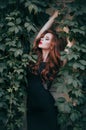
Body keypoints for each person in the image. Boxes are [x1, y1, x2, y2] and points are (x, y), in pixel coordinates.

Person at [26, 10, 67, 130]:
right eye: (43, 37)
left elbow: (70, 50)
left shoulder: (56, 62)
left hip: (46, 106)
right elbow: (39, 35)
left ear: (52, 45)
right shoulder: (34, 58)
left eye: (47, 39)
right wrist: (53, 18)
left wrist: (67, 29)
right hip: (31, 106)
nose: (42, 39)